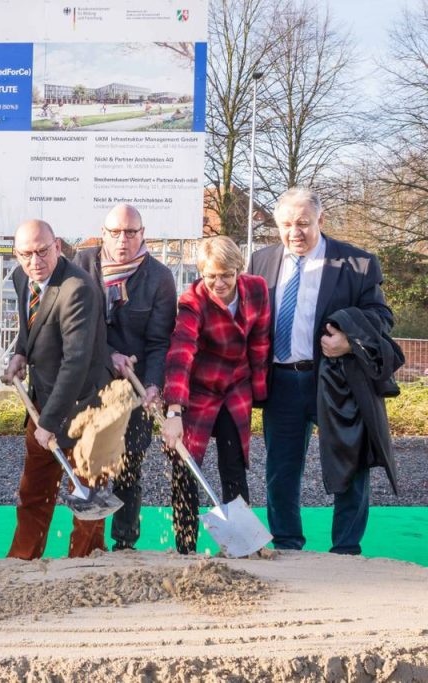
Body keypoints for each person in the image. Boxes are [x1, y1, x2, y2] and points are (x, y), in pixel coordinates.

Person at [250, 187, 393, 555]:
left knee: (350, 464)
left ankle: (345, 549)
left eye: (303, 223)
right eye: (285, 224)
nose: (294, 232)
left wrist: (348, 339)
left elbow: (382, 317)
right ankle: (287, 543)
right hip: (281, 380)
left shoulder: (358, 263)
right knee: (281, 469)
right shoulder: (261, 261)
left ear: (321, 220)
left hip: (337, 380)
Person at [2, 219, 113, 559]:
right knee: (34, 488)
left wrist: (48, 422)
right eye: (26, 254)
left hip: (85, 407)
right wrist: (20, 351)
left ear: (58, 246)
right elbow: (30, 324)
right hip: (43, 399)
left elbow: (75, 363)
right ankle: (24, 558)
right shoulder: (22, 277)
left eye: (42, 251)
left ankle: (85, 563)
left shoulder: (77, 288)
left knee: (87, 495)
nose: (35, 261)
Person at [73, 203, 177, 551]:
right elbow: (74, 327)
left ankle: (125, 543)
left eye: (131, 232)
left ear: (142, 234)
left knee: (129, 464)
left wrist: (152, 386)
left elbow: (160, 341)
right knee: (89, 465)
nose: (123, 240)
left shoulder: (160, 277)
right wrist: (108, 355)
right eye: (115, 232)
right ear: (103, 233)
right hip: (90, 381)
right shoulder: (82, 265)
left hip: (134, 386)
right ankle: (85, 545)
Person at [161, 236, 270, 554]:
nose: (219, 283)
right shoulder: (192, 301)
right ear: (201, 274)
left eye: (226, 275)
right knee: (184, 463)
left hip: (236, 386)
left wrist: (261, 394)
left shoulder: (257, 290)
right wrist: (175, 411)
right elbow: (181, 352)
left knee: (233, 464)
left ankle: (242, 544)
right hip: (198, 390)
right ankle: (185, 545)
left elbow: (260, 341)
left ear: (239, 270)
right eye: (211, 276)